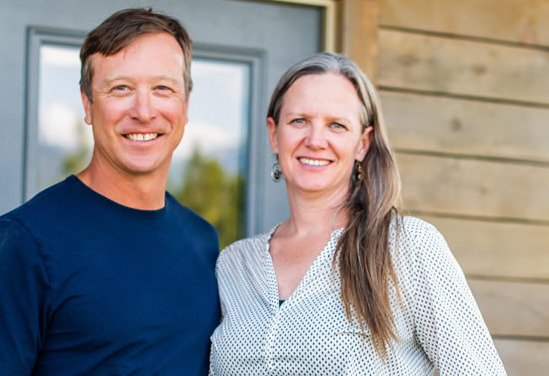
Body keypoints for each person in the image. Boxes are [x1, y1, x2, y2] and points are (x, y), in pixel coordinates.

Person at [0, 8, 220, 375]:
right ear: (87, 103)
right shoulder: (23, 242)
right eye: (120, 88)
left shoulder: (202, 239)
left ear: (185, 105)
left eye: (162, 88)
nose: (143, 111)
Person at [209, 52, 506, 375]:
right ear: (273, 134)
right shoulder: (235, 265)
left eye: (336, 125)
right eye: (299, 121)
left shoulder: (408, 247)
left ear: (362, 144)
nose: (315, 140)